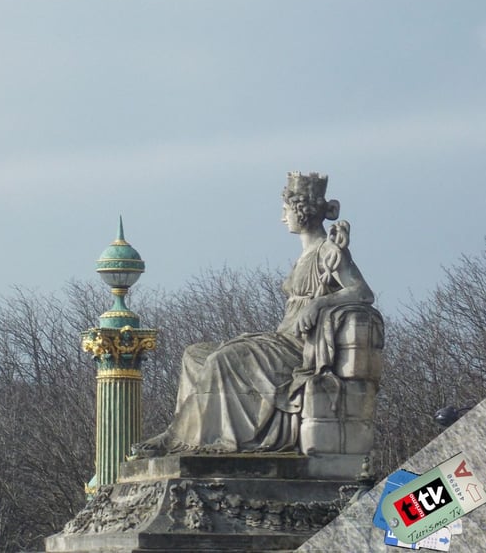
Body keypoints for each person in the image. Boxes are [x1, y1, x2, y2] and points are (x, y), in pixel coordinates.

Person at [132, 172, 380, 457]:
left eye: (285, 210)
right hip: (279, 339)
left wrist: (319, 304)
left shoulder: (328, 252)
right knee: (194, 355)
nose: (282, 217)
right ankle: (180, 432)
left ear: (302, 212)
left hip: (297, 347)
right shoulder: (306, 253)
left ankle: (208, 440)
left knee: (222, 359)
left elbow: (362, 292)